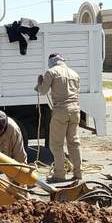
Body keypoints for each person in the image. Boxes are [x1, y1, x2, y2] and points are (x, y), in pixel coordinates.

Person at [35, 53, 81, 182]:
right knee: (74, 143)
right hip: (75, 110)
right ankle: (78, 173)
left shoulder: (51, 72)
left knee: (56, 144)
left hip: (61, 111)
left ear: (51, 62)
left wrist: (39, 84)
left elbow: (43, 91)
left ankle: (59, 174)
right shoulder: (74, 73)